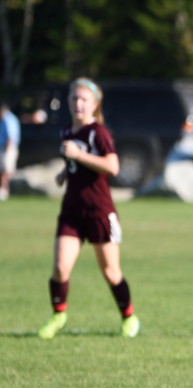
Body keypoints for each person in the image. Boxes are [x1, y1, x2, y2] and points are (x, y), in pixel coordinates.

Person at [37, 78, 140, 339]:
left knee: (111, 272)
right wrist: (64, 172)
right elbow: (75, 164)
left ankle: (128, 316)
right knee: (60, 267)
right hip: (72, 211)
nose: (78, 104)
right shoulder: (66, 131)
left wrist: (78, 155)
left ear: (94, 105)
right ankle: (58, 315)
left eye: (84, 99)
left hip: (99, 211)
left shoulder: (99, 133)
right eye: (74, 99)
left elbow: (113, 167)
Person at [0, 102, 20, 200]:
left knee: (6, 171)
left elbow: (10, 137)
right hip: (4, 148)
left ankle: (4, 190)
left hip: (8, 148)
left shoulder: (8, 119)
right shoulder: (4, 119)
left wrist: (7, 151)